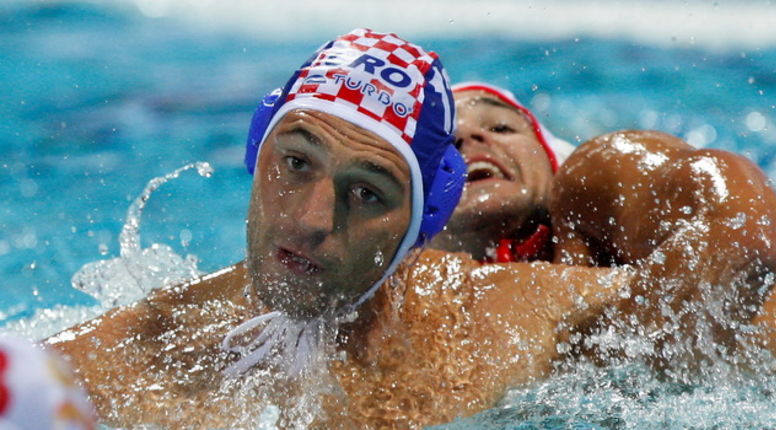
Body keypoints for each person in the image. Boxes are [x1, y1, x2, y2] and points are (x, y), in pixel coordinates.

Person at [45, 30, 642, 429]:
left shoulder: (506, 317)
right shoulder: (126, 359)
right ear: (259, 149)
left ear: (423, 219)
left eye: (366, 192)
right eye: (296, 162)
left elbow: (714, 305)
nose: (308, 222)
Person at [432, 81, 776, 373]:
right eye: (439, 142)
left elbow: (747, 230)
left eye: (501, 126)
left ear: (549, 158)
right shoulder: (411, 308)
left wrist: (599, 361)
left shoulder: (594, 177)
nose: (469, 138)